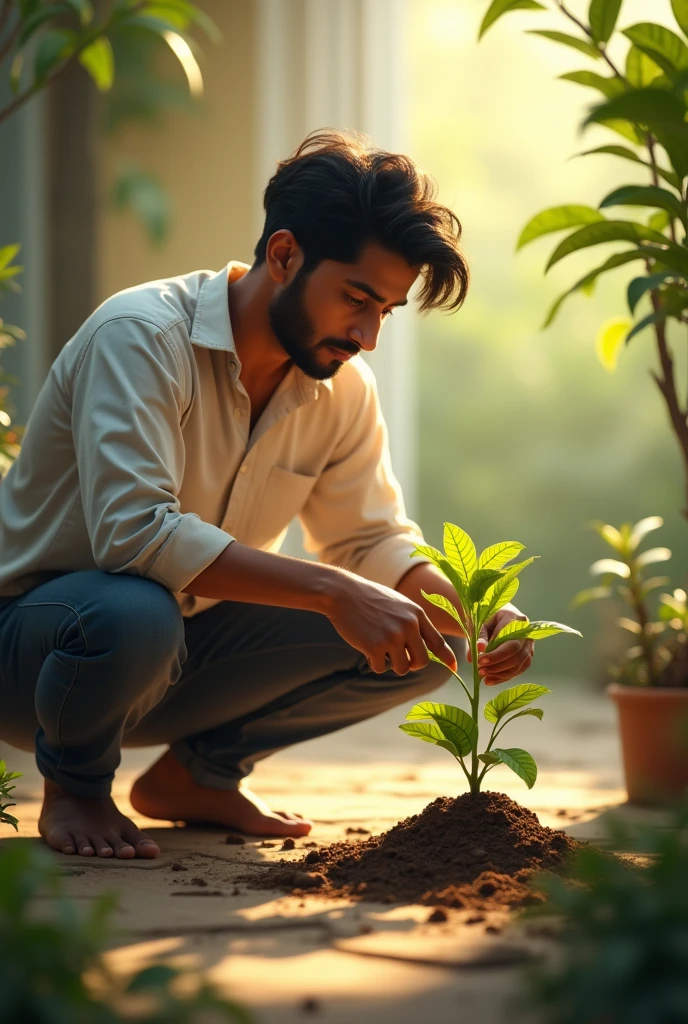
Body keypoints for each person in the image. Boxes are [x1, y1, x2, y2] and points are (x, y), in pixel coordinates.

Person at [0, 129, 534, 860]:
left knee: (425, 636)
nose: (369, 334)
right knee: (137, 609)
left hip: (177, 652)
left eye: (386, 310)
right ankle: (78, 786)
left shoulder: (341, 389)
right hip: (41, 650)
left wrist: (472, 612)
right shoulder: (143, 337)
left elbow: (369, 540)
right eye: (357, 298)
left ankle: (197, 779)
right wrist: (333, 593)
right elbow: (135, 536)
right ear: (283, 256)